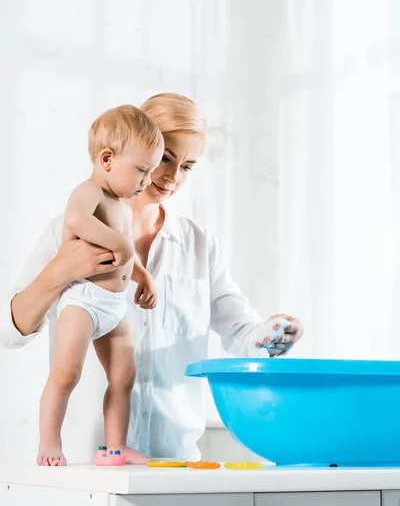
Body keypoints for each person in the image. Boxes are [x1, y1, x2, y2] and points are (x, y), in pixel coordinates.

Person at [0, 93, 304, 463]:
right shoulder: (71, 224)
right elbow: (8, 331)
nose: (173, 177)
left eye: (188, 166)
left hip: (170, 462)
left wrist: (273, 333)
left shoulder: (199, 245)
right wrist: (61, 270)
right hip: (83, 467)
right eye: (165, 158)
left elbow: (242, 332)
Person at [37, 105, 164, 466]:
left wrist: (145, 276)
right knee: (66, 373)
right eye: (141, 170)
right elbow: (76, 219)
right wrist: (119, 243)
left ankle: (117, 445)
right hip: (83, 300)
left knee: (125, 375)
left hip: (114, 305)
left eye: (151, 171)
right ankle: (49, 442)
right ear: (107, 158)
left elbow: (127, 256)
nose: (147, 180)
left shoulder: (122, 204)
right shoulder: (89, 191)